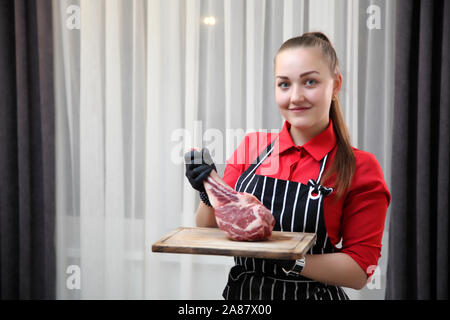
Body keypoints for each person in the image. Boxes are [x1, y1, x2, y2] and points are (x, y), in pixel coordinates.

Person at [184, 31, 391, 300]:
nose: (295, 96)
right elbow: (208, 228)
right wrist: (207, 189)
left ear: (335, 85)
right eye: (284, 84)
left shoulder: (360, 166)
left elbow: (359, 270)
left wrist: (289, 259)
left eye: (310, 82)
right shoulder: (251, 146)